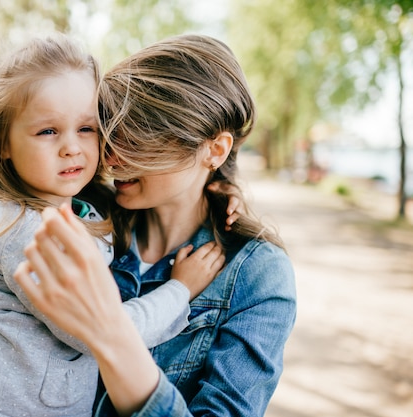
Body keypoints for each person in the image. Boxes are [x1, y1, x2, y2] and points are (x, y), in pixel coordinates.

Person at [15, 34, 297, 417]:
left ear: (214, 150)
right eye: (109, 132)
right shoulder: (80, 217)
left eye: (140, 139)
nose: (111, 157)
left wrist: (111, 338)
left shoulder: (258, 276)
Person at [0, 34, 227, 417]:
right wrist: (180, 290)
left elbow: (173, 182)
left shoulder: (80, 206)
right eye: (48, 131)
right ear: (2, 143)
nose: (71, 147)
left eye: (86, 128)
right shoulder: (27, 233)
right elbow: (102, 332)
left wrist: (217, 189)